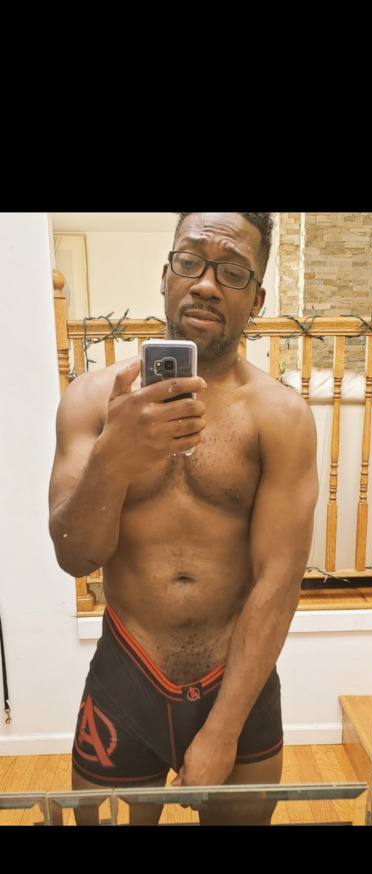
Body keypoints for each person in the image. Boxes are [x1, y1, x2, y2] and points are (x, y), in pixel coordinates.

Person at [48, 212, 319, 825]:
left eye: (232, 272)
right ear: (166, 274)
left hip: (239, 682)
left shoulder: (281, 417)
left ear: (257, 299)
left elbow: (279, 580)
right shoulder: (92, 401)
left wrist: (224, 728)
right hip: (128, 671)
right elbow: (74, 556)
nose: (205, 284)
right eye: (190, 261)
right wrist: (113, 458)